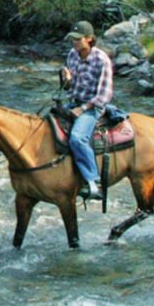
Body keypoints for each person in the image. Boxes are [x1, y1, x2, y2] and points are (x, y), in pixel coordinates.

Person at [60, 21, 115, 201]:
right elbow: (69, 87)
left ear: (89, 39)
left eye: (78, 39)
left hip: (92, 107)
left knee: (77, 137)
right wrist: (66, 80)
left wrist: (82, 109)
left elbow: (104, 95)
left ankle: (93, 182)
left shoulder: (102, 60)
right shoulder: (72, 55)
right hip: (74, 102)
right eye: (72, 39)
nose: (74, 43)